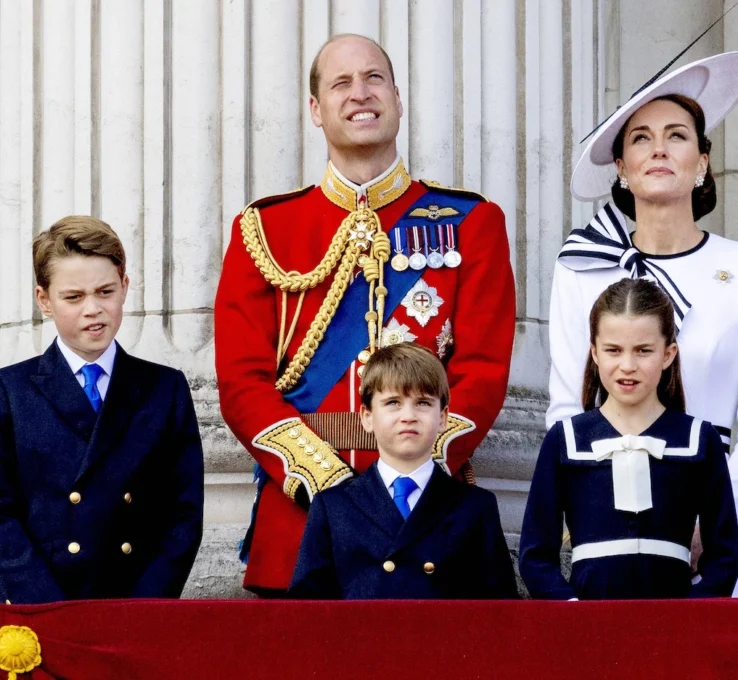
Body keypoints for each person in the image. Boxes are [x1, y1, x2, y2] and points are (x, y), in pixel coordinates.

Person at [215, 33, 515, 594]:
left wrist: (414, 468)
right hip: (301, 515)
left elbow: (483, 369)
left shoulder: (472, 222)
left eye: (374, 78)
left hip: (428, 516)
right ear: (316, 109)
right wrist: (323, 478)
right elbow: (241, 381)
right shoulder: (264, 229)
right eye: (341, 83)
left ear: (397, 99)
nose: (361, 94)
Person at [548, 52, 738, 512]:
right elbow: (568, 406)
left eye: (676, 136)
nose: (659, 149)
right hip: (607, 499)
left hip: (720, 496)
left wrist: (719, 515)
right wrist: (586, 509)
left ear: (701, 163)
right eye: (641, 138)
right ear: (622, 167)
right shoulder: (582, 265)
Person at [0, 216, 204, 603]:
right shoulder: (9, 390)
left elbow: (182, 513)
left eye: (105, 291)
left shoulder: (165, 388)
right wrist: (46, 608)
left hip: (134, 606)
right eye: (73, 297)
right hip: (42, 609)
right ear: (44, 300)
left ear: (124, 288)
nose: (93, 309)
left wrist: (143, 607)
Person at [521, 278, 738, 599]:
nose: (627, 365)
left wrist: (692, 614)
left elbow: (725, 553)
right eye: (613, 350)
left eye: (643, 351)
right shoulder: (565, 440)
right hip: (588, 627)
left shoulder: (698, 438)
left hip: (674, 631)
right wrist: (569, 608)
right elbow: (536, 554)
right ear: (594, 352)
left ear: (668, 353)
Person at [289, 343, 518, 599]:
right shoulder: (333, 508)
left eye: (422, 403)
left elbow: (501, 609)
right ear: (367, 417)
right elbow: (307, 611)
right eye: (393, 403)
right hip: (360, 638)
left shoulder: (475, 507)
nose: (408, 416)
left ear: (443, 417)